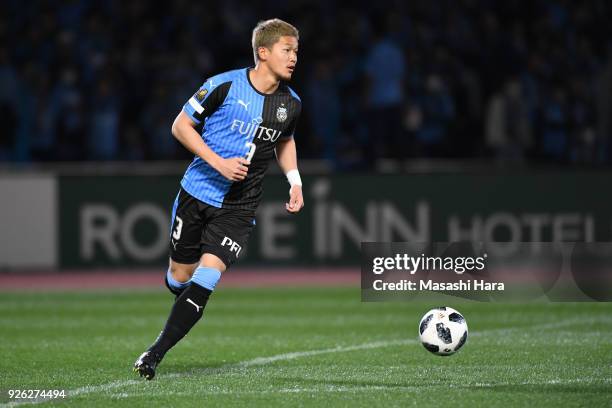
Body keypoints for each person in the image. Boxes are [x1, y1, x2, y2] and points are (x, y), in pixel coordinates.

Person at [133, 18, 303, 380]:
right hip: (196, 193)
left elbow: (285, 140)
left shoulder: (291, 104)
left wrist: (295, 181)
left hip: (240, 209)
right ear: (264, 52)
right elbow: (180, 125)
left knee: (205, 281)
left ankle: (154, 354)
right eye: (287, 50)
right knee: (180, 277)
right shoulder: (223, 85)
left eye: (296, 52)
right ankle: (179, 290)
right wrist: (218, 163)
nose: (293, 58)